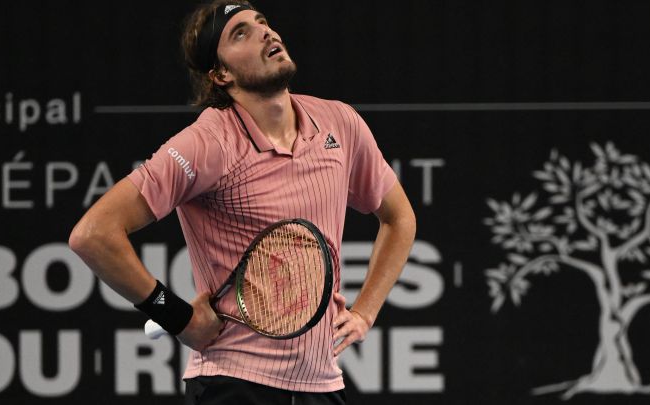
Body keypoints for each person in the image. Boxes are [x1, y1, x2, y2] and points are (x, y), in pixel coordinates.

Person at [69, 1, 416, 404]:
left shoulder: (339, 123)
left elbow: (399, 218)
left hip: (321, 384)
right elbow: (93, 234)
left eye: (262, 22)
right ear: (221, 74)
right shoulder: (208, 143)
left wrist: (366, 312)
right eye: (240, 33)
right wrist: (176, 316)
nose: (266, 32)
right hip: (234, 383)